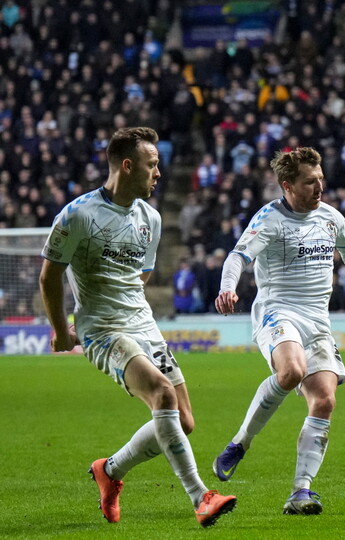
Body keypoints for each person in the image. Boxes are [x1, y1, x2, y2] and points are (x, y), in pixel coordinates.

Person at [38, 127, 236, 527]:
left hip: (144, 326)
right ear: (127, 166)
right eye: (152, 164)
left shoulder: (151, 218)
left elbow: (139, 277)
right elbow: (49, 277)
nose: (158, 173)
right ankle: (202, 497)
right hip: (104, 331)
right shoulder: (78, 215)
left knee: (183, 422)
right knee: (162, 396)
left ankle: (109, 471)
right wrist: (62, 329)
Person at [212, 147, 345, 515]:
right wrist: (228, 286)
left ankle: (301, 491)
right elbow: (239, 256)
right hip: (278, 310)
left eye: (321, 179)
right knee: (291, 372)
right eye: (309, 181)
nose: (319, 187)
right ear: (287, 185)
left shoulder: (330, 216)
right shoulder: (269, 219)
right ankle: (241, 442)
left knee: (325, 400)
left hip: (318, 319)